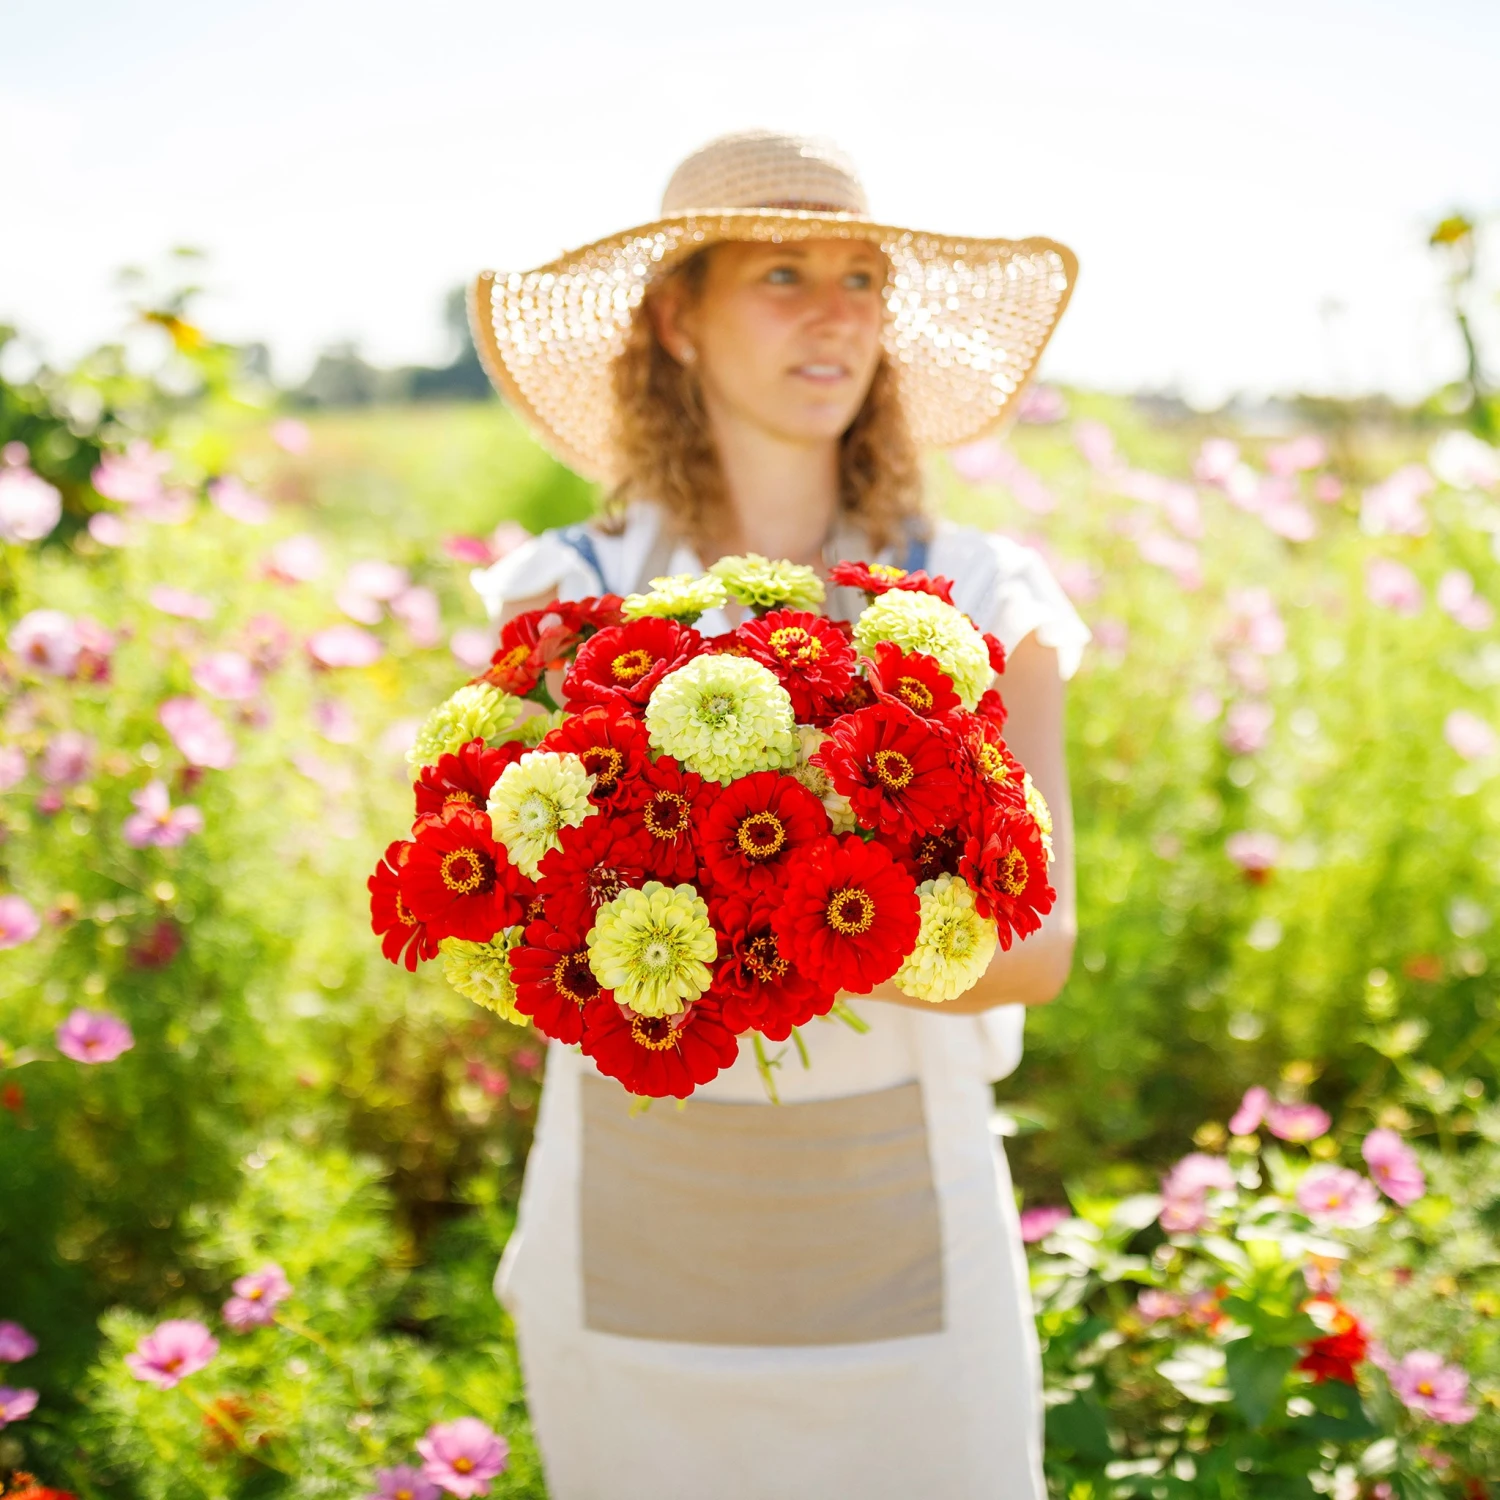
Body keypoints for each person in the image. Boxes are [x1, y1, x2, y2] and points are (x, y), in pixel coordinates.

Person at [468, 130, 1086, 1500]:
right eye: (783, 273)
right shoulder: (562, 603)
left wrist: (746, 932)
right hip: (633, 1236)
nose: (837, 312)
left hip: (908, 1255)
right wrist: (818, 919)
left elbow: (1039, 946)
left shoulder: (982, 600)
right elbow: (499, 936)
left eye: (863, 278)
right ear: (677, 321)